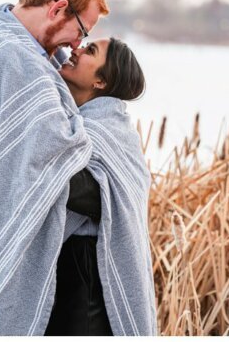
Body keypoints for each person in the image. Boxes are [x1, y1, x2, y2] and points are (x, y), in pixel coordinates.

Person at [0, 0, 108, 335]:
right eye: (81, 31)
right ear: (58, 8)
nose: (78, 45)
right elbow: (56, 163)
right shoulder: (18, 62)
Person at [46, 38, 157, 335]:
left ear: (100, 81)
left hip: (87, 281)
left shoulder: (112, 133)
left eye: (90, 51)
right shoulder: (70, 123)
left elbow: (95, 194)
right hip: (65, 269)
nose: (76, 50)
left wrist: (37, 159)